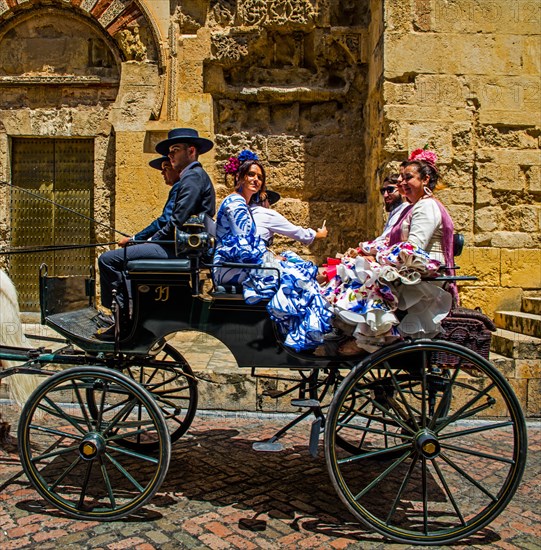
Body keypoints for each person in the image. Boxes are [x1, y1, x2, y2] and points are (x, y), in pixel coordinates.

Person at [321, 148, 455, 355]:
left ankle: (371, 337)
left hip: (422, 276)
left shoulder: (427, 207)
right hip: (408, 269)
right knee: (351, 269)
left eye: (408, 177)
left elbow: (414, 248)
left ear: (426, 179)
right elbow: (392, 242)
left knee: (368, 275)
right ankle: (352, 328)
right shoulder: (412, 208)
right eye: (401, 177)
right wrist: (367, 250)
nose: (402, 182)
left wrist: (376, 256)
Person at [97, 128, 215, 338]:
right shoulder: (193, 177)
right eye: (169, 151)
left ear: (191, 151)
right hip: (182, 248)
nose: (170, 155)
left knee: (108, 260)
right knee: (121, 261)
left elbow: (175, 222)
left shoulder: (193, 177)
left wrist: (142, 243)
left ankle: (122, 322)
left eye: (175, 150)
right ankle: (126, 313)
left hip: (180, 250)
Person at [214, 150, 332, 352]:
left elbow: (249, 246)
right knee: (296, 277)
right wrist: (273, 259)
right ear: (240, 176)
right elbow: (244, 245)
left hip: (238, 264)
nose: (256, 180)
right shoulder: (235, 203)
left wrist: (273, 258)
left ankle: (299, 328)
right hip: (230, 267)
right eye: (251, 175)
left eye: (259, 177)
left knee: (294, 272)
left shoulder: (242, 203)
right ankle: (300, 331)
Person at [249, 191, 328, 246]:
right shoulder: (266, 213)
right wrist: (318, 234)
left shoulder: (244, 211)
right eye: (269, 201)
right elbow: (296, 232)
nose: (269, 204)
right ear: (263, 200)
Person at [378, 173, 408, 240]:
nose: (385, 195)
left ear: (401, 189)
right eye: (383, 191)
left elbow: (385, 239)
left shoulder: (405, 211)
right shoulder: (395, 211)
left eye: (390, 190)